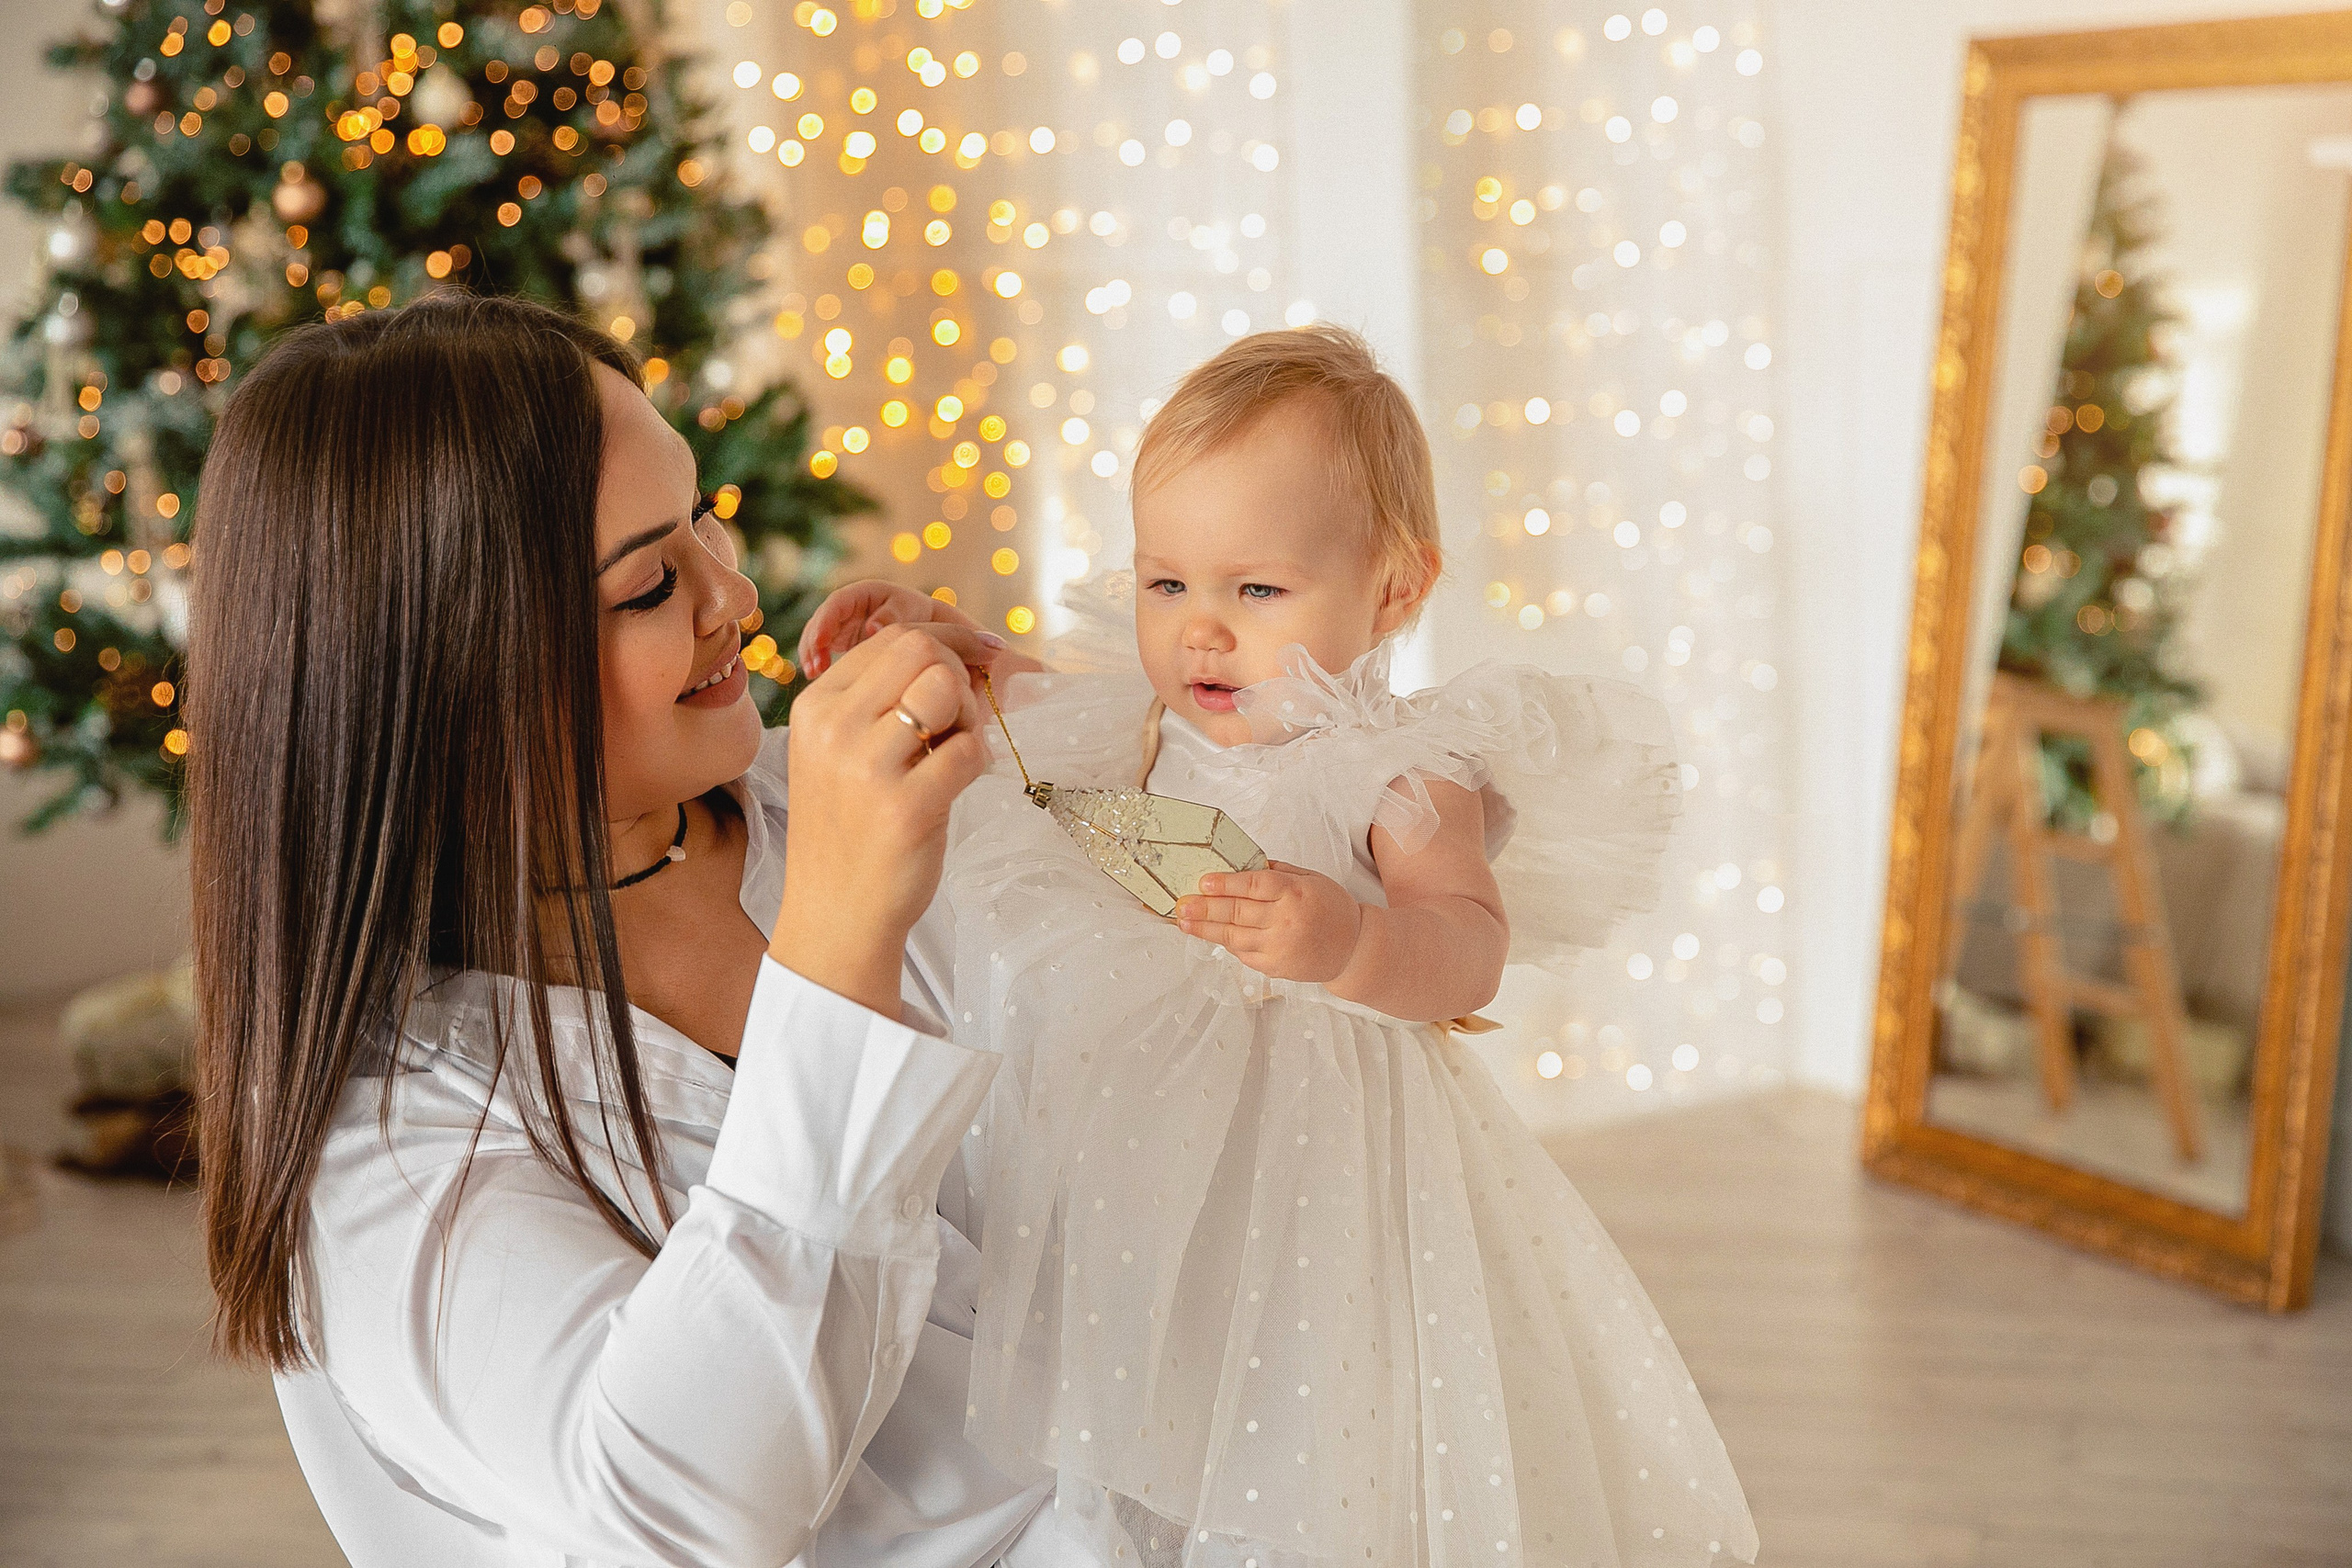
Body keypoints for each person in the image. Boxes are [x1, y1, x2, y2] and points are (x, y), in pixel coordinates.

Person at [801, 327, 1760, 1566]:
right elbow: (1019, 697)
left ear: (1396, 591)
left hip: (1322, 1169)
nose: (1202, 632)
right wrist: (943, 639)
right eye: (1166, 585)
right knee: (1144, 1376)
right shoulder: (1144, 720)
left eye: (1255, 592)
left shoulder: (1400, 774)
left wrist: (1349, 937)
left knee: (1303, 1411)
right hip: (1133, 1148)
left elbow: (1467, 946)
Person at [187, 293, 1101, 1568]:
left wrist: (1065, 741)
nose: (734, 593)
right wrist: (837, 955)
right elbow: (689, 1515)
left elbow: (1328, 960)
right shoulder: (393, 1129)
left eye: (704, 520)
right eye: (652, 582)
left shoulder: (827, 812)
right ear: (458, 669)